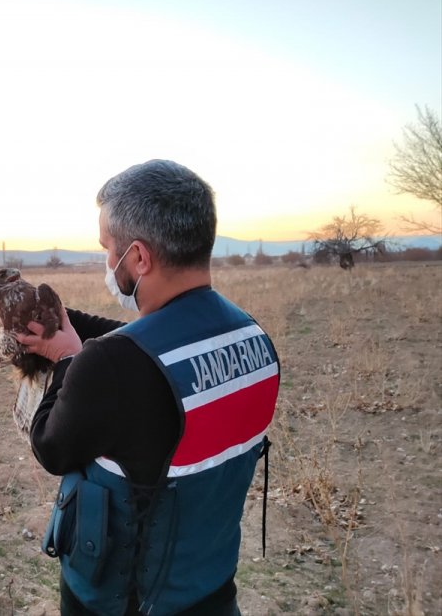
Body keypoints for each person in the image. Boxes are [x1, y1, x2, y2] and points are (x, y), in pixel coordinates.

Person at [17, 160, 280, 616]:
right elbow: (148, 345)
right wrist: (64, 318)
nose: (105, 261)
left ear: (138, 257)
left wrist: (66, 358)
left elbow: (51, 448)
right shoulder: (253, 338)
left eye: (107, 248)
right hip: (212, 588)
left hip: (122, 603)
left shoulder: (111, 367)